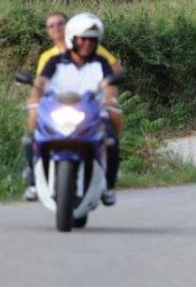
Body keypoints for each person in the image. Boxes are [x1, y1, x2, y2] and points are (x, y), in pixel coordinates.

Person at [23, 11, 123, 201]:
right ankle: (35, 181)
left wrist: (109, 98)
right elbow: (41, 82)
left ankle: (109, 185)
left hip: (91, 112)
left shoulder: (101, 62)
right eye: (83, 39)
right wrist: (34, 97)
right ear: (73, 39)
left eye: (92, 40)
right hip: (58, 111)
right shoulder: (54, 61)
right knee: (31, 138)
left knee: (110, 139)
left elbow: (110, 86)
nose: (87, 43)